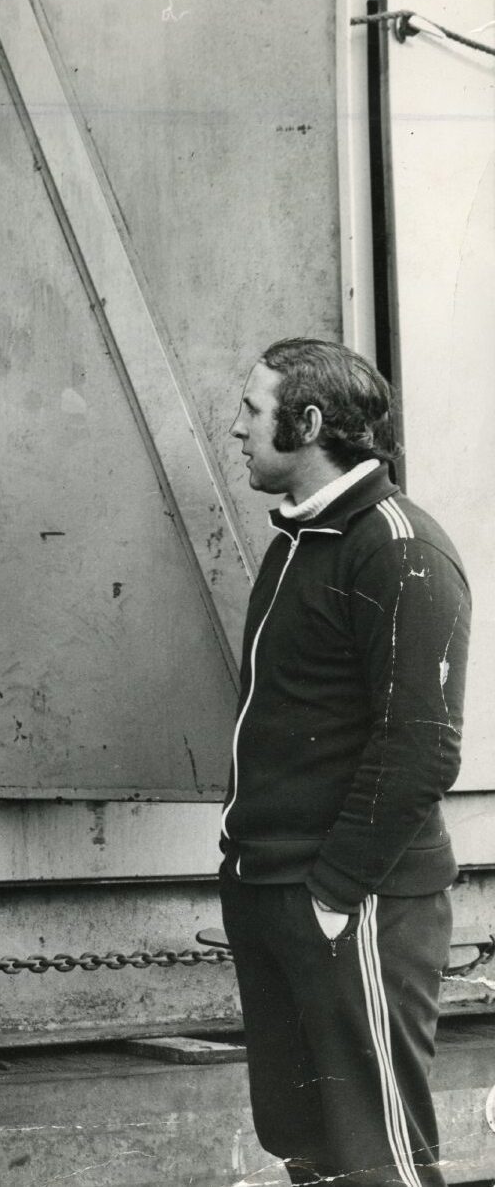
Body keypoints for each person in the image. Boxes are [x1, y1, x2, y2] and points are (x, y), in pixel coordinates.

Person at [220, 338, 470, 1186]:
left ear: (308, 422)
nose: (237, 428)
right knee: (312, 1150)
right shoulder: (302, 539)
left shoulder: (397, 547)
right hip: (275, 889)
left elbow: (422, 747)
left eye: (253, 410)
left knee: (379, 1163)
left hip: (354, 903)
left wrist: (333, 896)